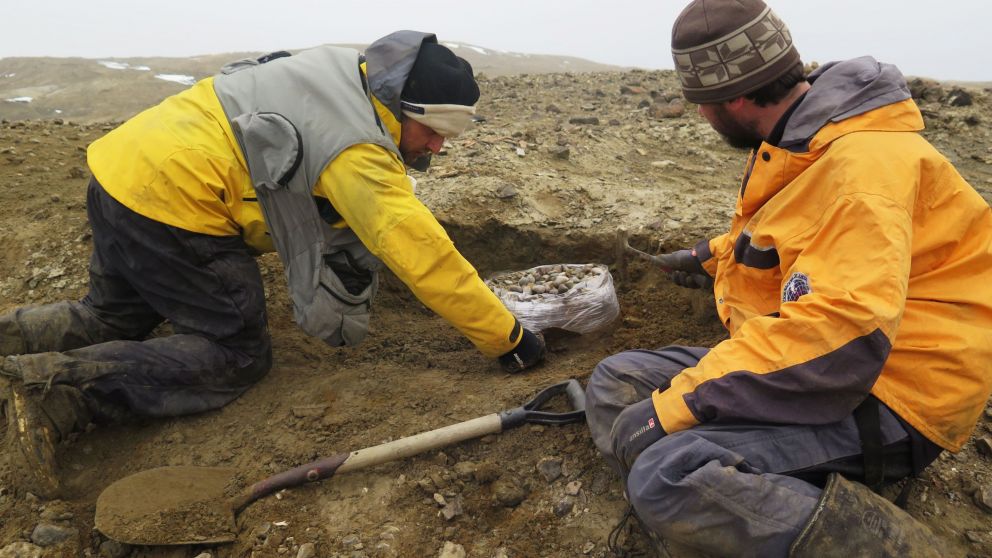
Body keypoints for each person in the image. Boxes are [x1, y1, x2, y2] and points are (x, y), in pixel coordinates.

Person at [0, 30, 545, 498]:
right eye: (433, 133)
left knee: (112, 317)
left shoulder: (345, 69)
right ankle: (47, 391)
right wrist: (509, 337)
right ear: (405, 109)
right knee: (234, 352)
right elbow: (424, 255)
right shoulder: (356, 149)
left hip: (123, 169)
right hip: (177, 201)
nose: (437, 149)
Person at [585, 1, 992, 556]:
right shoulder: (808, 137)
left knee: (666, 473)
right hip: (825, 352)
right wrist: (712, 256)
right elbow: (802, 236)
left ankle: (903, 547)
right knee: (616, 378)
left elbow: (842, 339)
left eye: (701, 104)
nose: (701, 118)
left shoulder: (862, 169)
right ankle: (715, 508)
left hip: (894, 388)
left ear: (734, 98)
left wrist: (675, 412)